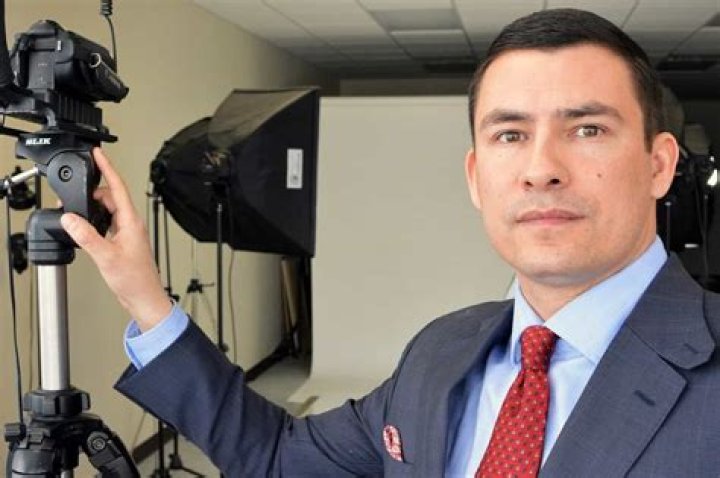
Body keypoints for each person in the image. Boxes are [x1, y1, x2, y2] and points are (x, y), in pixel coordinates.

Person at [60, 8, 720, 478]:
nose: (540, 168)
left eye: (587, 130)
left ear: (659, 164)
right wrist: (145, 297)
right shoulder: (441, 351)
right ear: (476, 178)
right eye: (510, 134)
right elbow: (280, 458)